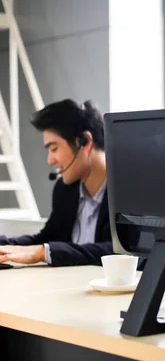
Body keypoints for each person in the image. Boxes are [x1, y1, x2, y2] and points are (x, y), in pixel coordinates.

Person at [0, 99, 113, 267]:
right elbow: (46, 239)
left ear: (85, 141)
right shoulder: (65, 190)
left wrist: (44, 252)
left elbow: (122, 251)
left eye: (54, 149)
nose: (50, 160)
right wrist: (5, 247)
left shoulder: (127, 190)